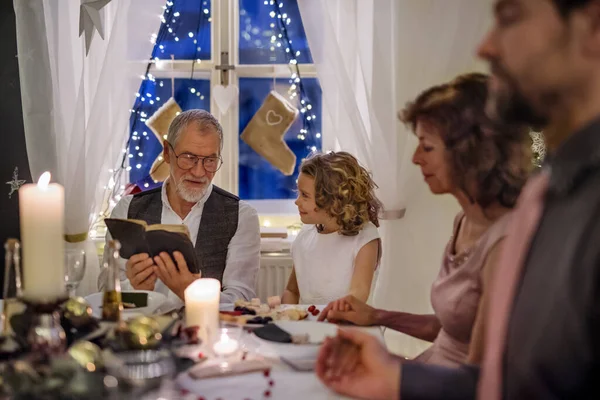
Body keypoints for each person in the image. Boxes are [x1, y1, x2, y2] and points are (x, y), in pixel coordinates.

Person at [317, 0, 600, 399]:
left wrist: (399, 375)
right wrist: (392, 366)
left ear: (592, 24)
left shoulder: (526, 221)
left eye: (510, 16)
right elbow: (504, 380)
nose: (484, 47)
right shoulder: (546, 192)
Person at [319, 73, 531, 367]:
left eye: (427, 147)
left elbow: (481, 372)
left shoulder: (506, 238)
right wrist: (377, 316)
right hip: (432, 371)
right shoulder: (463, 221)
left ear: (468, 153)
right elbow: (454, 333)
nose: (416, 158)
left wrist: (389, 369)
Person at [99, 110, 260, 304]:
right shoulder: (127, 210)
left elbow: (240, 301)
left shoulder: (242, 216)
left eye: (210, 160)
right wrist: (134, 289)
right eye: (189, 157)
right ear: (167, 153)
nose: (199, 171)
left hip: (207, 332)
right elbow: (105, 293)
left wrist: (190, 291)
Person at [281, 151, 382, 305]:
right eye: (298, 193)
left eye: (305, 195)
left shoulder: (365, 238)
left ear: (333, 202)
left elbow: (358, 294)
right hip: (310, 326)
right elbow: (292, 291)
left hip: (350, 326)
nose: (297, 201)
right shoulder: (304, 237)